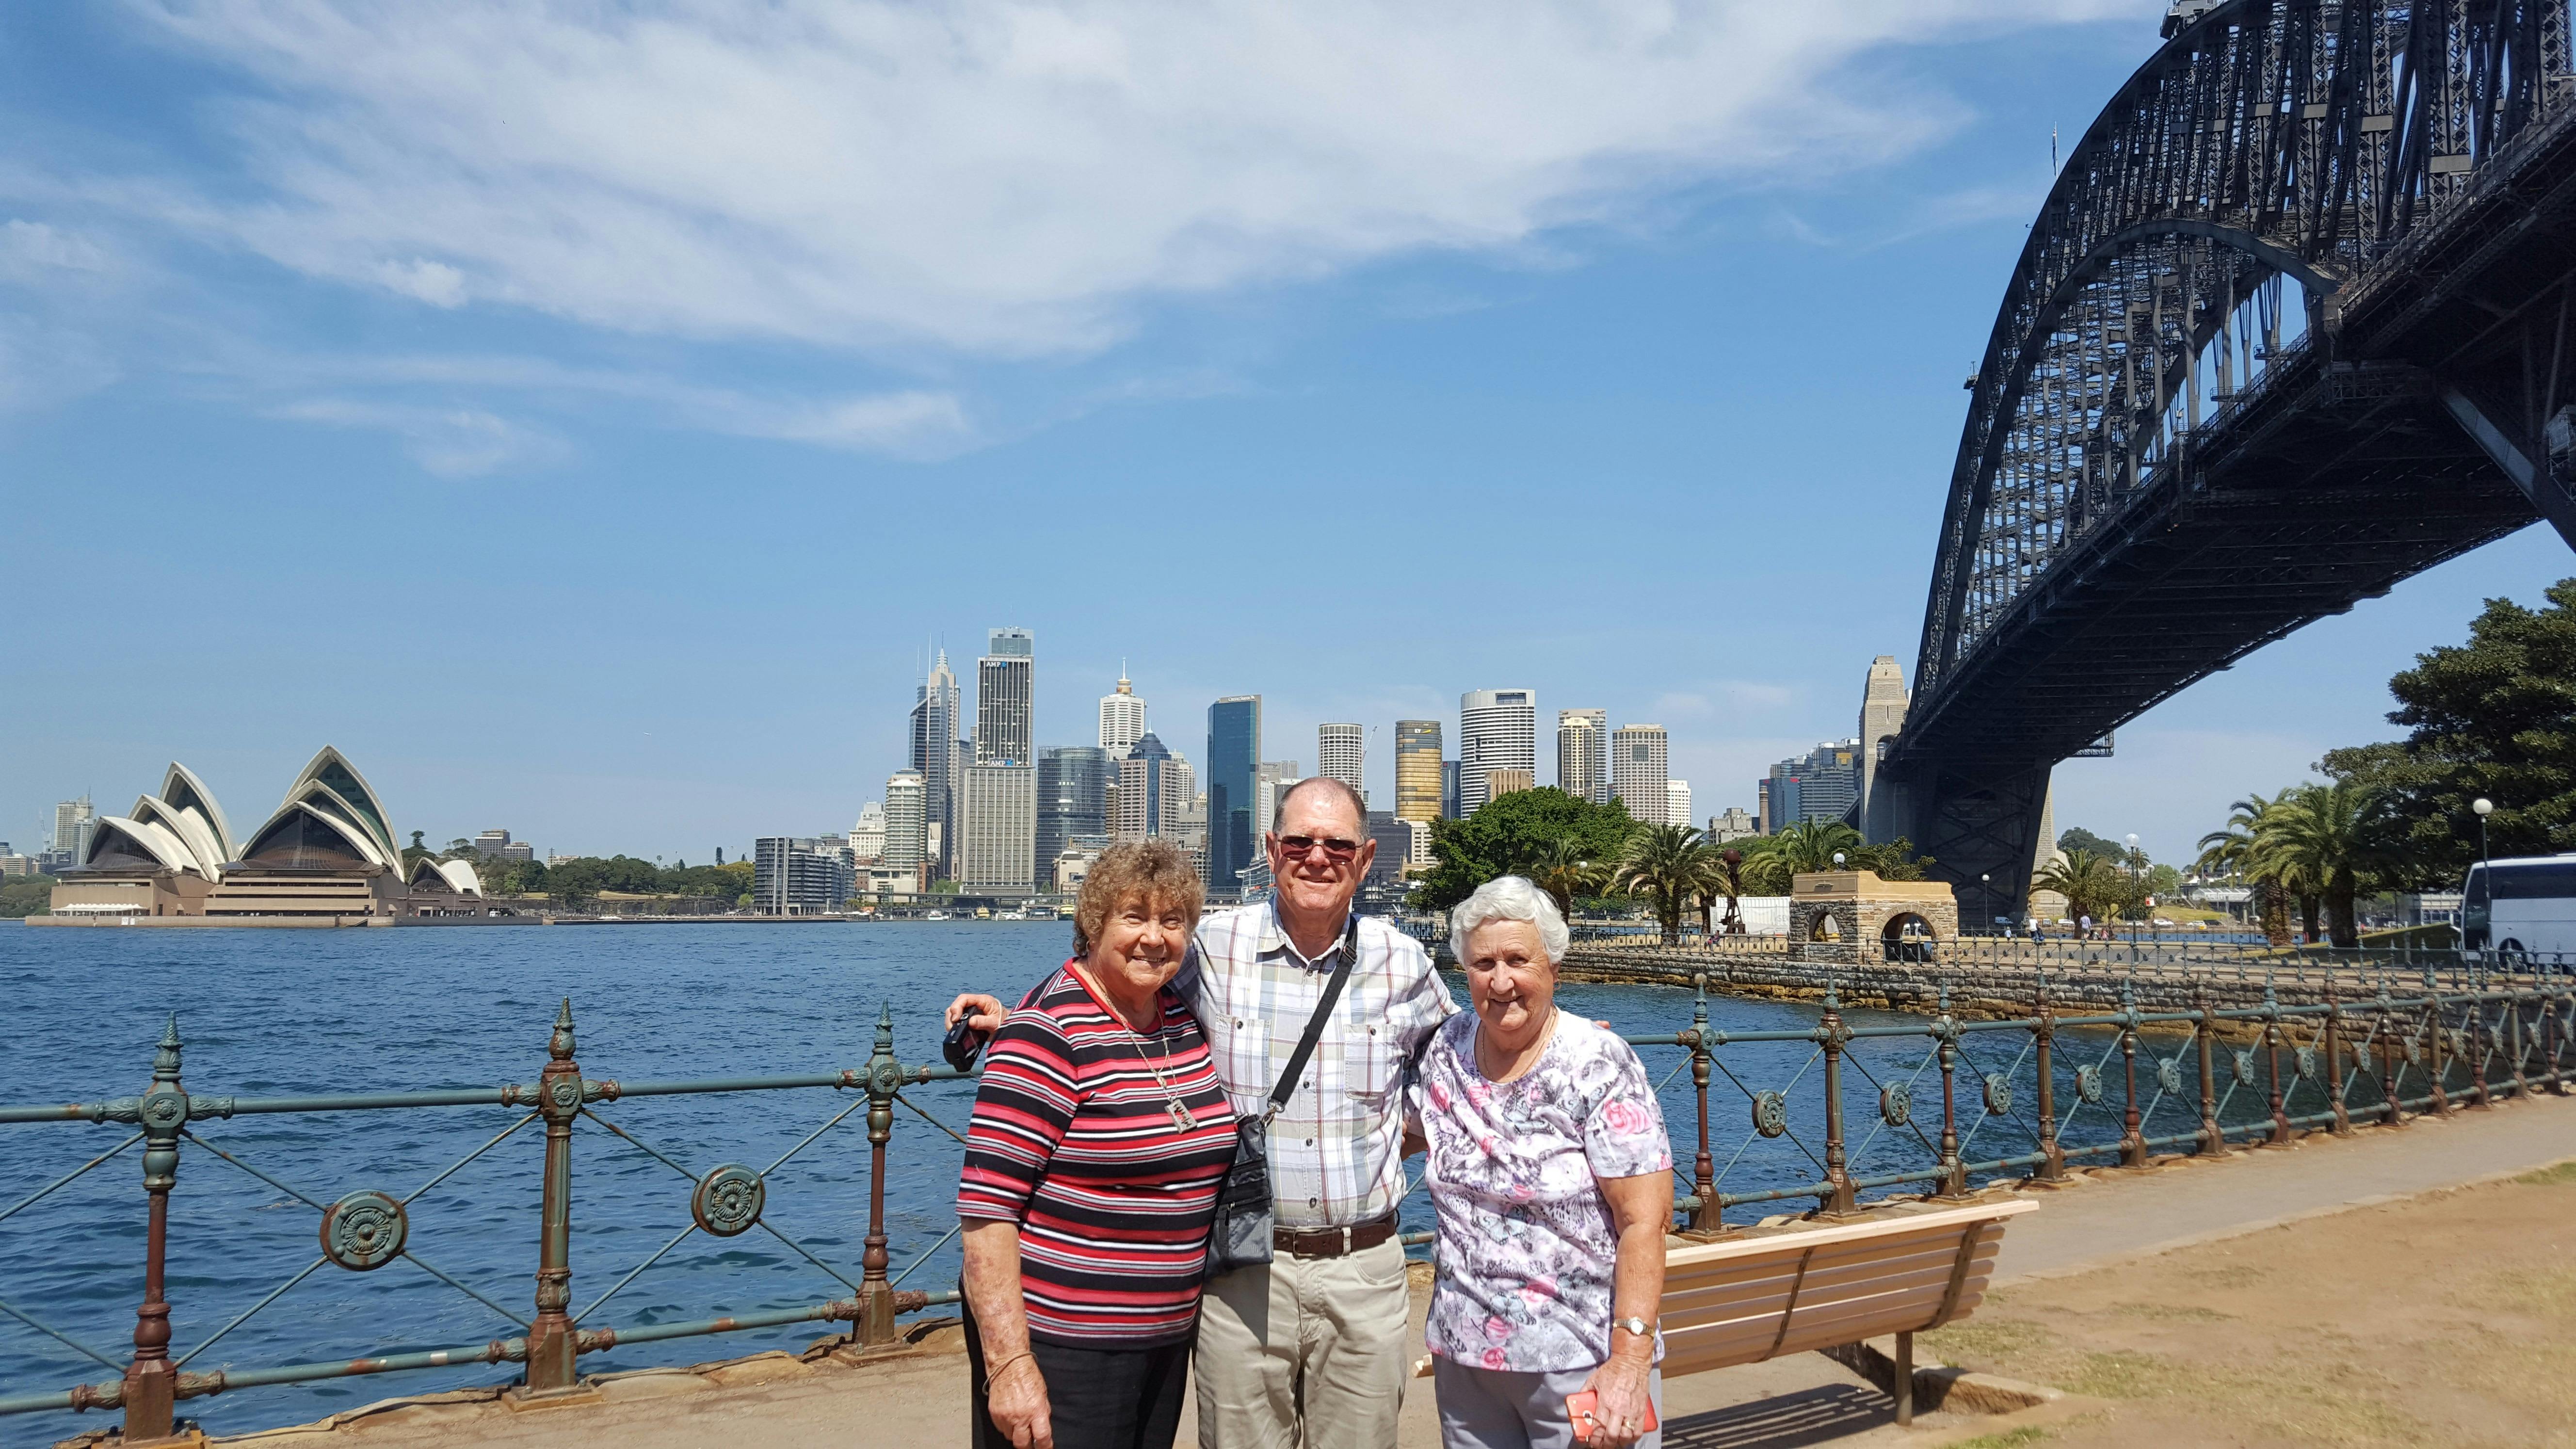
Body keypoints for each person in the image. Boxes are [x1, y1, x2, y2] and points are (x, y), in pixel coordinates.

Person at [949, 777, 1454, 1449]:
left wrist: (1549, 1048)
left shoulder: (1404, 963)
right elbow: (1107, 985)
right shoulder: (1213, 946)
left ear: (1364, 859)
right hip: (1240, 1277)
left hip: (1359, 1267)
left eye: (1337, 845)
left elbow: (1462, 1074)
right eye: (1299, 842)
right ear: (1272, 850)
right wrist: (1020, 1019)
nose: (1317, 857)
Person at [956, 841, 1237, 1449]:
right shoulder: (1044, 1033)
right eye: (1133, 916)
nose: (1154, 938)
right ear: (1093, 924)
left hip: (1164, 1338)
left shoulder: (1177, 1018)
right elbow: (986, 1214)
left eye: (1172, 920)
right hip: (1065, 1345)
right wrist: (1009, 1365)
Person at [1412, 875, 1672, 1449]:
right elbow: (1400, 1125)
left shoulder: (1597, 1062)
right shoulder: (1446, 1050)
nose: (1500, 981)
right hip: (1464, 1357)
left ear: (1553, 967)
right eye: (1483, 963)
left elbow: (1644, 1220)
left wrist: (1629, 1362)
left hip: (1581, 1359)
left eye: (1517, 960)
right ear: (1463, 971)